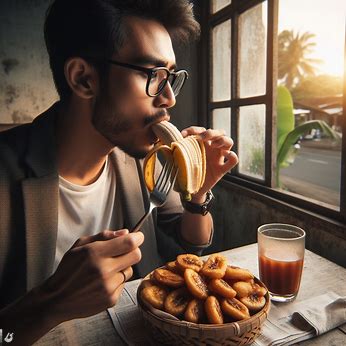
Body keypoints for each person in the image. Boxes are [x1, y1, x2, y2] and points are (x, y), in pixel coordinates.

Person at [0, 0, 238, 344]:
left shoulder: (143, 157)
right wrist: (49, 304)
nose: (169, 97)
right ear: (83, 79)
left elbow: (190, 242)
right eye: (153, 76)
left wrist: (197, 194)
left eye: (171, 77)